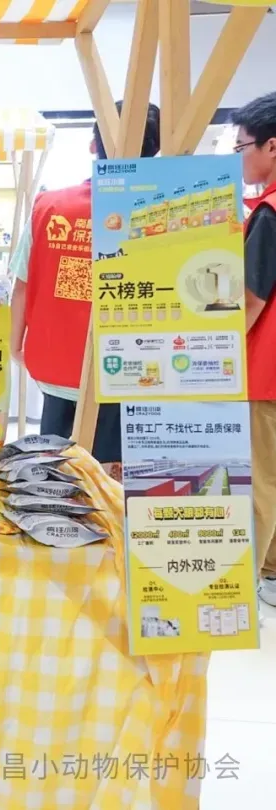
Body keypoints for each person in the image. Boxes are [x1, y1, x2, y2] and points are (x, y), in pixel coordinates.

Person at [9, 101, 161, 465]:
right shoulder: (163, 210)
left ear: (93, 144)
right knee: (111, 478)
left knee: (55, 476)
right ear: (154, 152)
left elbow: (23, 284)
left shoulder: (49, 206)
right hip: (134, 371)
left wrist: (17, 345)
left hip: (57, 364)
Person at [231, 92, 276, 606]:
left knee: (261, 480)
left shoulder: (269, 212)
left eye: (242, 146)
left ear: (272, 146)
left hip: (267, 372)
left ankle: (245, 586)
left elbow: (248, 300)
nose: (239, 157)